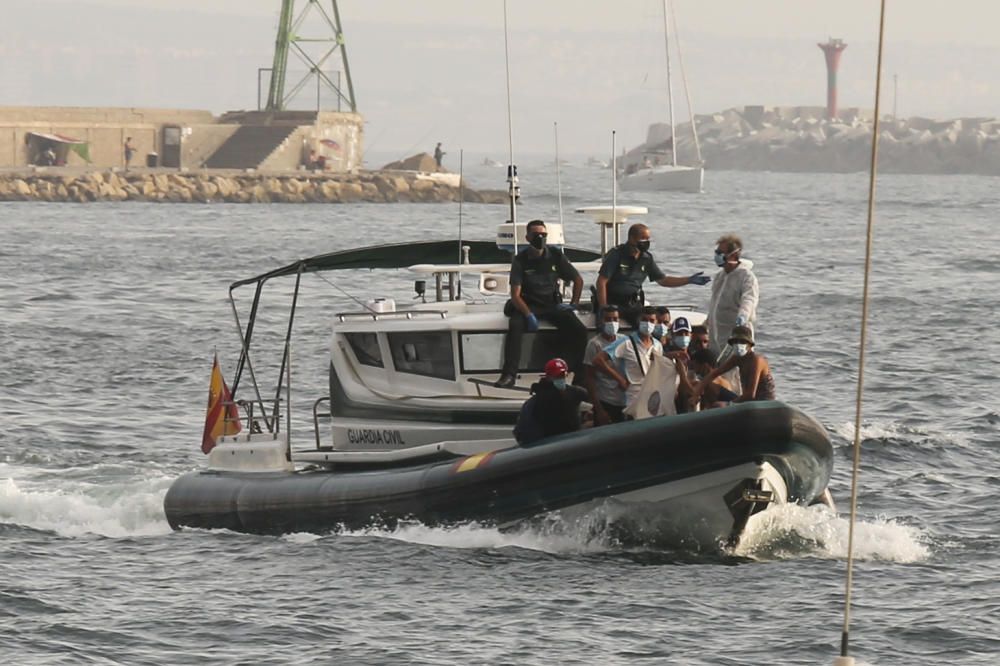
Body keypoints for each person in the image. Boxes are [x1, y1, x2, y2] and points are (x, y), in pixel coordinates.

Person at [495, 220, 586, 388]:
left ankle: (576, 372)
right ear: (528, 238)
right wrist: (528, 314)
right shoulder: (520, 260)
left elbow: (578, 279)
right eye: (536, 235)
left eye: (543, 235)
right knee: (515, 326)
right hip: (528, 304)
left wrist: (574, 303)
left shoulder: (556, 255)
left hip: (552, 304)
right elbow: (515, 295)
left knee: (579, 331)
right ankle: (509, 375)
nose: (540, 238)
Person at [596, 223, 710, 328]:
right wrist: (603, 307)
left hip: (632, 304)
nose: (646, 242)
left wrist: (688, 280)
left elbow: (663, 280)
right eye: (643, 238)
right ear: (632, 238)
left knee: (650, 323)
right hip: (613, 302)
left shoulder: (646, 258)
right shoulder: (617, 254)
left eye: (647, 239)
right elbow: (601, 281)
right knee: (606, 327)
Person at [594, 306, 663, 411]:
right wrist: (619, 379)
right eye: (644, 320)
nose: (648, 324)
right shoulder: (626, 342)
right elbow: (598, 360)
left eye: (651, 321)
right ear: (638, 321)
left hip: (652, 399)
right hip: (632, 401)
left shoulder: (658, 345)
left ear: (656, 322)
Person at [513, 358, 590, 445]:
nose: (560, 378)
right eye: (556, 376)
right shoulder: (543, 398)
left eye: (562, 375)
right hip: (551, 441)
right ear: (548, 377)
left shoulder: (574, 392)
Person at [707, 234, 759, 357]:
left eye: (721, 252)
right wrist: (706, 323)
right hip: (716, 336)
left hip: (736, 336)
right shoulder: (720, 277)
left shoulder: (746, 277)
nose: (717, 256)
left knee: (734, 370)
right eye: (716, 252)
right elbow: (715, 304)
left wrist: (743, 315)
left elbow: (749, 299)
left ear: (734, 255)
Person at [694, 325, 774, 403]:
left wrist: (730, 404)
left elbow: (750, 394)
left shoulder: (756, 360)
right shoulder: (737, 358)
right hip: (748, 402)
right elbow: (715, 373)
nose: (738, 344)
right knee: (711, 388)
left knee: (719, 405)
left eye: (742, 342)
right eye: (736, 341)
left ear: (749, 344)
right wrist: (697, 391)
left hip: (763, 403)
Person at [583, 305, 627, 425]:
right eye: (608, 319)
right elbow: (590, 378)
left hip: (625, 401)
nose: (612, 323)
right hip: (606, 401)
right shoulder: (594, 344)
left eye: (615, 319)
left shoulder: (625, 341)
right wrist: (599, 409)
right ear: (601, 321)